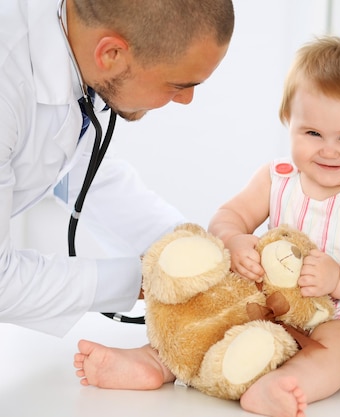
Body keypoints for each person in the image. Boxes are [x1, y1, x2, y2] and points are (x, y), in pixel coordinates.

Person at [73, 36, 340, 417]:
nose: (328, 149)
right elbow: (228, 216)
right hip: (265, 303)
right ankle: (153, 362)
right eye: (312, 133)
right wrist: (235, 240)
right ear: (289, 119)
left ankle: (290, 383)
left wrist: (339, 278)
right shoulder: (277, 178)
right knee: (208, 316)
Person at [0, 0, 234, 335]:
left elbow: (82, 175)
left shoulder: (73, 46)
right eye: (179, 85)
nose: (186, 100)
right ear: (110, 54)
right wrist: (152, 277)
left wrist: (198, 255)